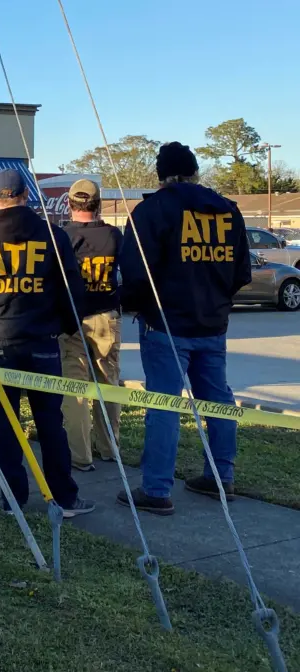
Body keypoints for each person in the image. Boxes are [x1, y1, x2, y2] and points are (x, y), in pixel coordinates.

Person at [118, 142, 251, 516]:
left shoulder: (152, 210)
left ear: (162, 176)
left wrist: (135, 304)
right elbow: (242, 272)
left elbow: (135, 273)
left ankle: (157, 489)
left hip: (165, 325)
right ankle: (221, 476)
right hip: (213, 323)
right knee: (218, 402)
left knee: (164, 405)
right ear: (194, 171)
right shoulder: (229, 210)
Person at [0, 169, 94, 517]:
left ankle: (12, 501)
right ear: (26, 196)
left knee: (7, 425)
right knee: (51, 423)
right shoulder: (52, 236)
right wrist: (59, 327)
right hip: (43, 342)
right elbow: (73, 292)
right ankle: (63, 497)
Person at [59, 179, 123, 472]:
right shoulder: (113, 235)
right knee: (108, 385)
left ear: (70, 204)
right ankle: (109, 448)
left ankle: (80, 455)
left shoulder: (61, 237)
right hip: (106, 316)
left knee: (75, 389)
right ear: (98, 204)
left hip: (71, 317)